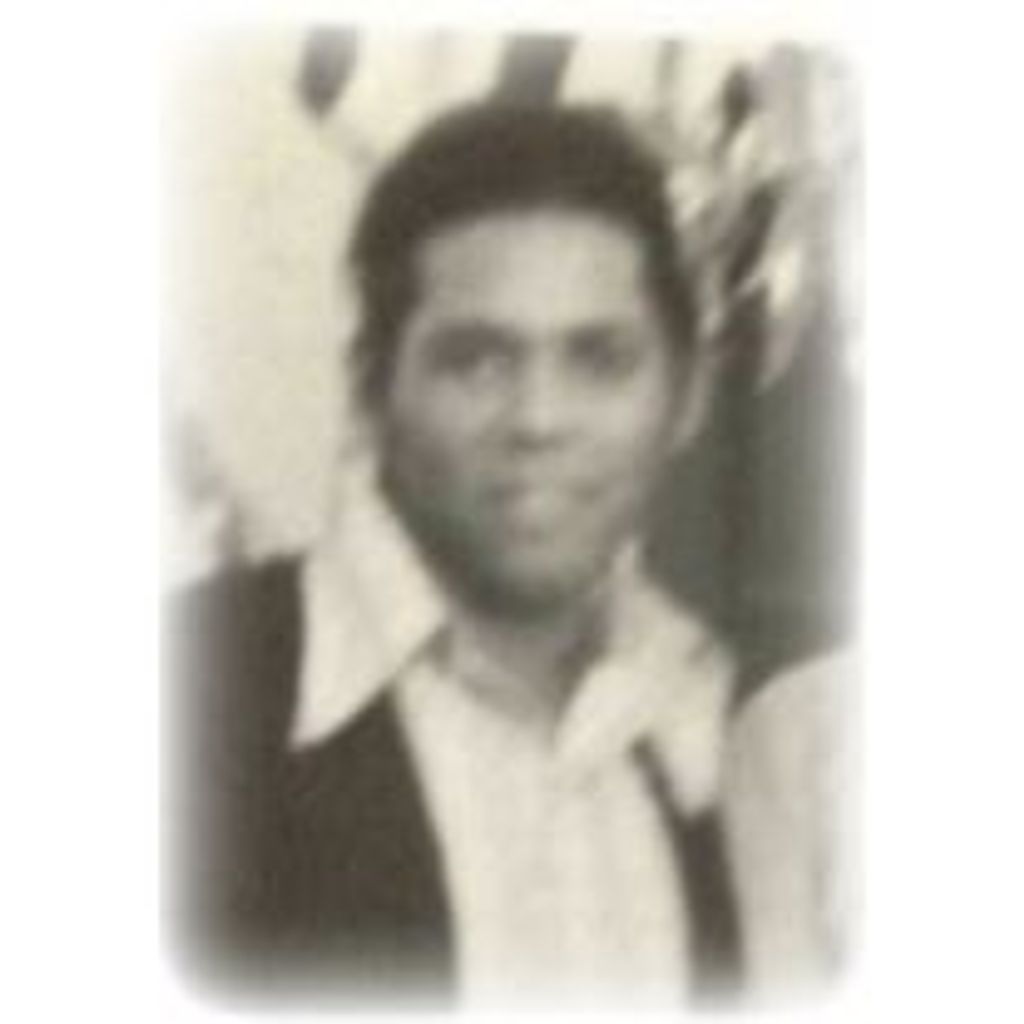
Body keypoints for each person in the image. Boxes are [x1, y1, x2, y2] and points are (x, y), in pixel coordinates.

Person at [169, 102, 842, 1007]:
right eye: (476, 362)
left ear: (684, 398)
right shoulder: (180, 693)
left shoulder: (737, 737)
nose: (538, 420)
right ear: (370, 391)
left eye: (600, 360)